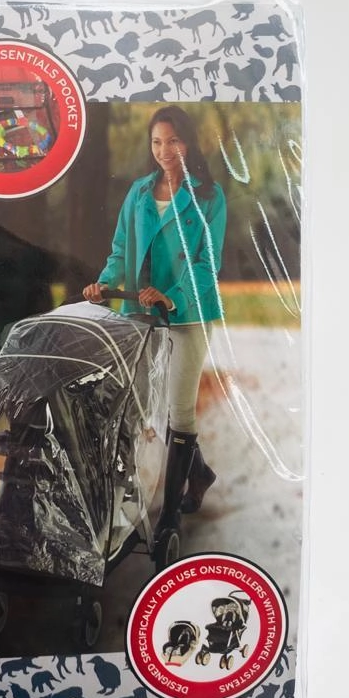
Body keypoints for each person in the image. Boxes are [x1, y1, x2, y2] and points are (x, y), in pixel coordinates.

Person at [83, 105, 226, 544]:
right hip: (141, 314)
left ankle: (169, 517)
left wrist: (172, 296)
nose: (165, 151)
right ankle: (200, 473)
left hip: (188, 313)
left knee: (179, 411)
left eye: (173, 140)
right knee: (147, 406)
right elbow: (120, 248)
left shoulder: (209, 196)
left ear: (189, 142)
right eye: (157, 142)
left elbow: (207, 264)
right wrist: (105, 284)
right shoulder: (139, 192)